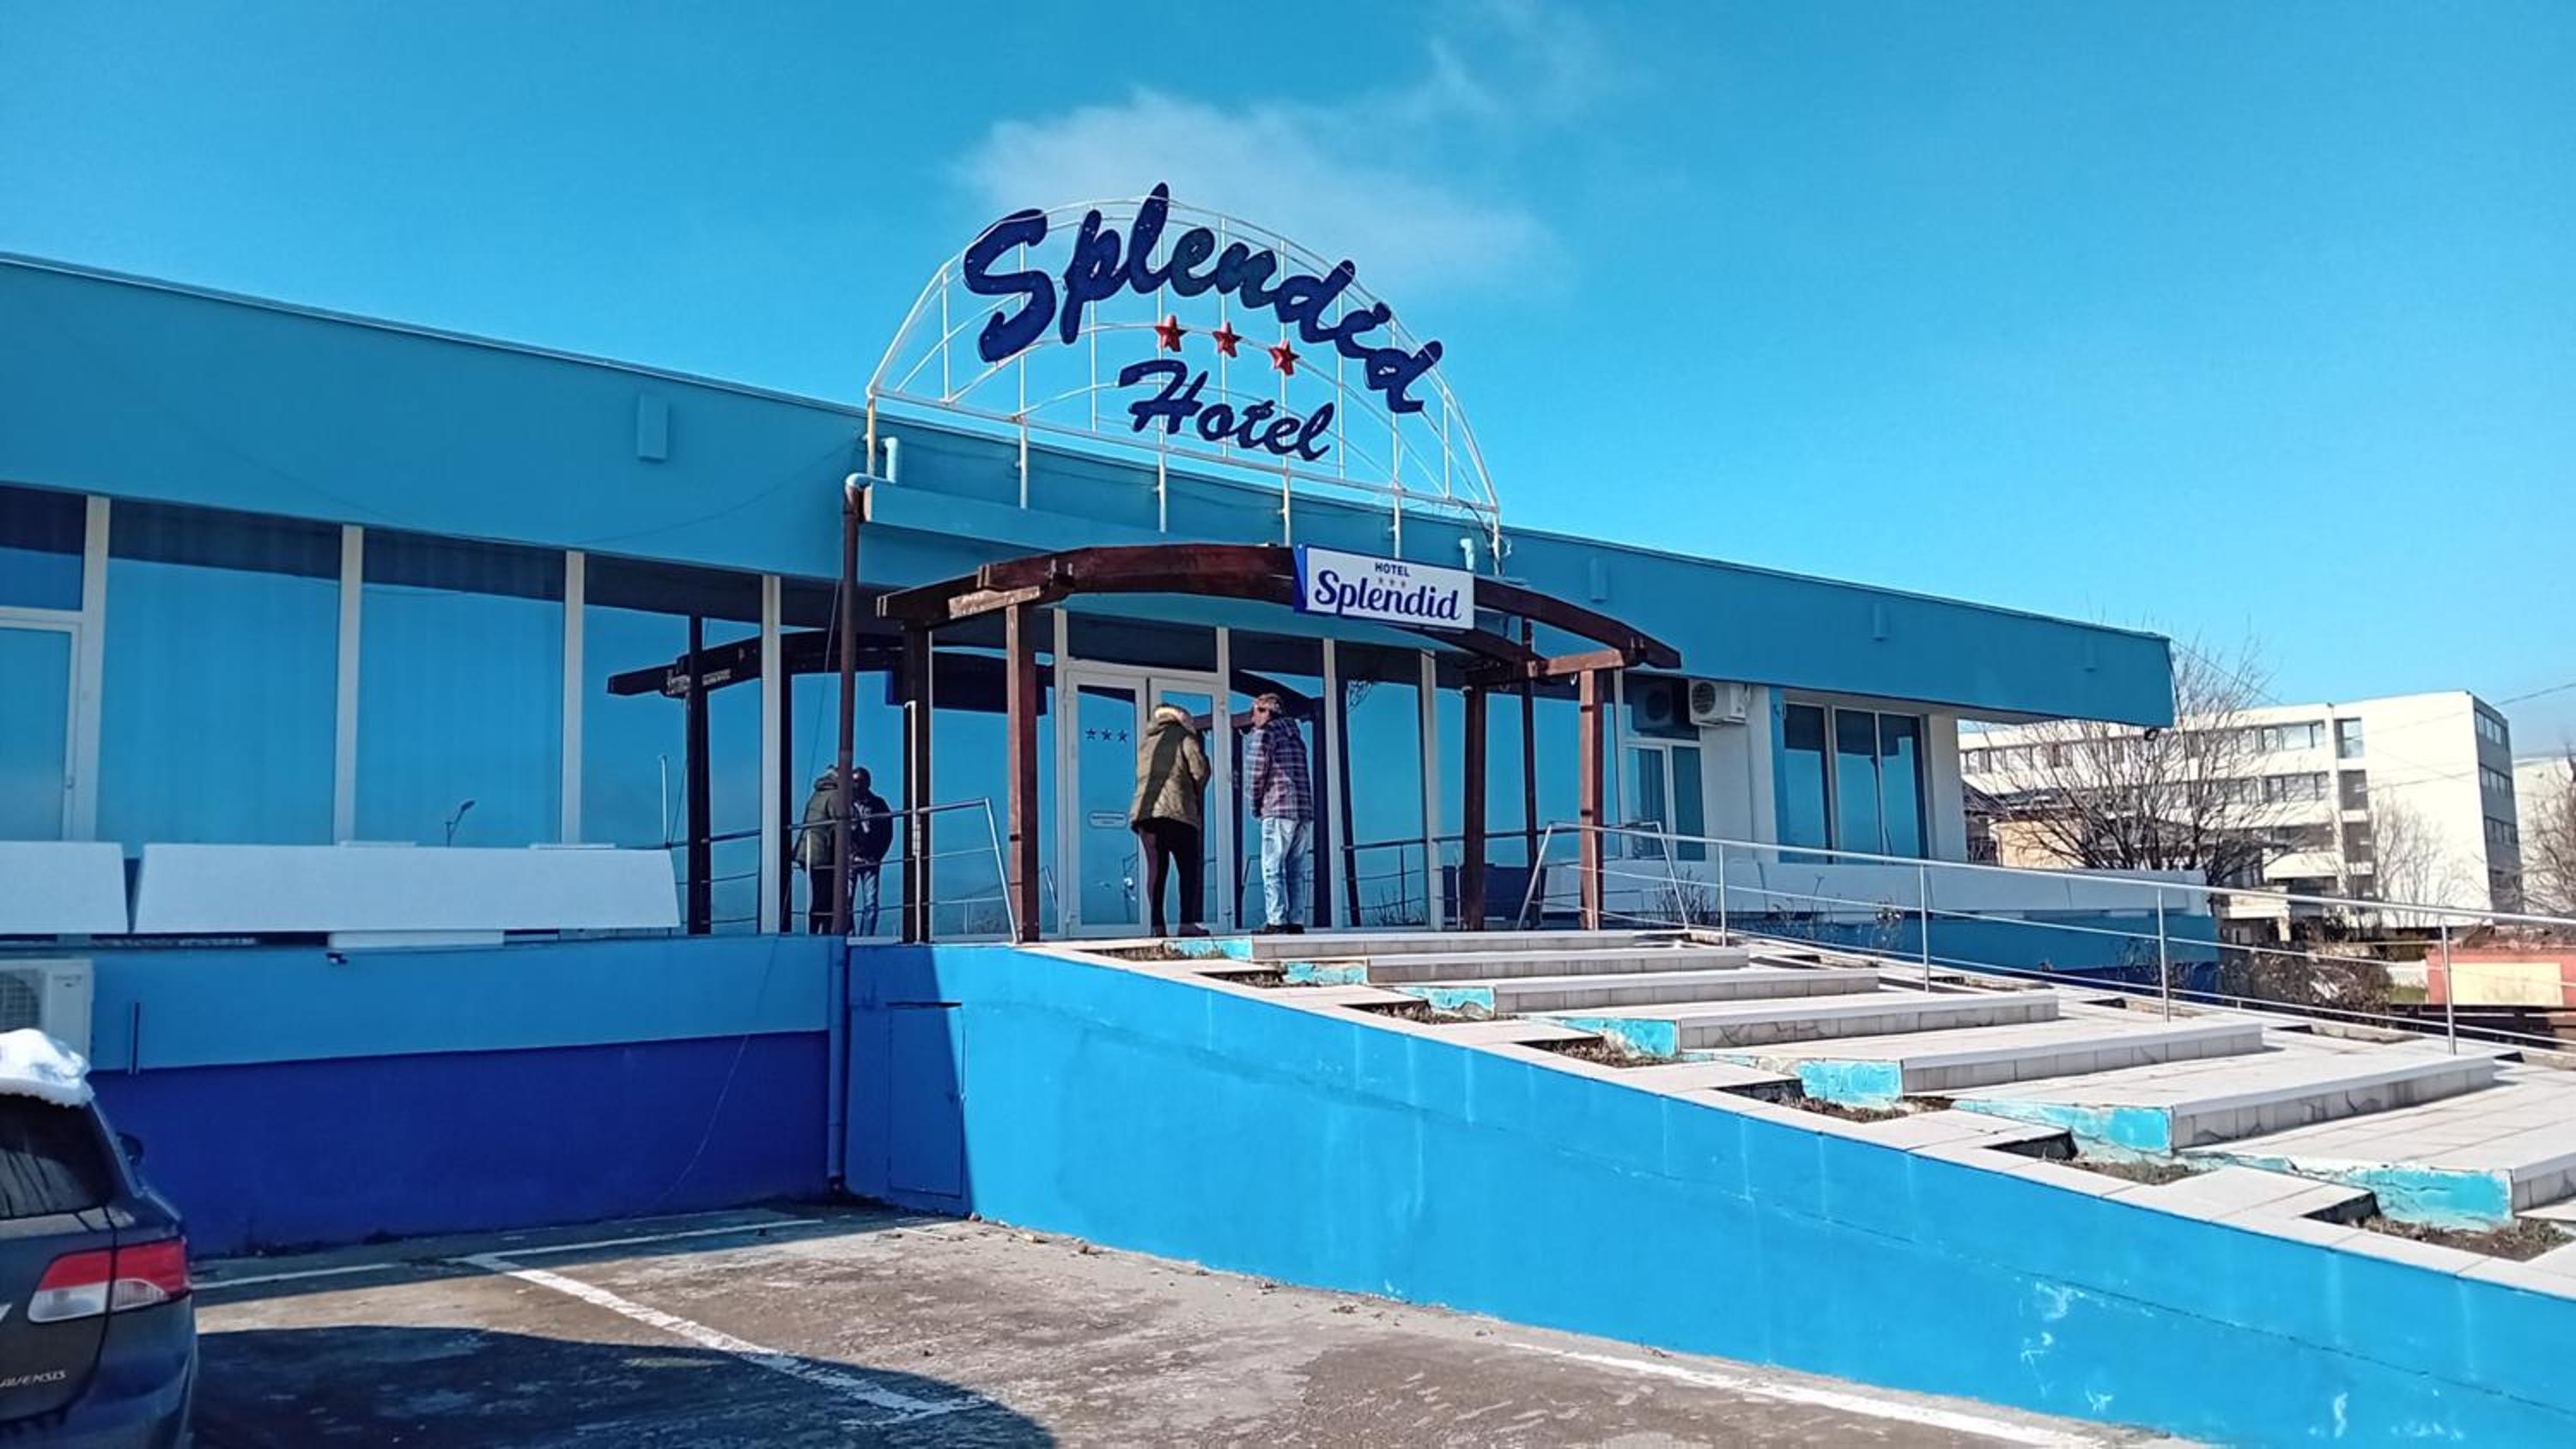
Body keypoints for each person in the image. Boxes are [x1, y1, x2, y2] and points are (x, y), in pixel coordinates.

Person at [1130, 702, 1211, 937]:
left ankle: (1157, 926)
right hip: (1178, 811)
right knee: (1188, 868)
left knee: (1156, 869)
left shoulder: (1146, 743)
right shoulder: (1184, 737)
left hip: (1146, 813)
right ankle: (1187, 923)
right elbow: (1199, 771)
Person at [1243, 691, 1313, 933]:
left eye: (1254, 712)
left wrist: (1255, 805)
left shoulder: (1266, 734)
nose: (1252, 719)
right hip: (1303, 811)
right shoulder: (1296, 736)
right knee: (1296, 869)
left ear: (1266, 712)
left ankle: (1276, 920)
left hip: (1278, 807)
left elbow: (1256, 773)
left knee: (1272, 867)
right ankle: (1297, 920)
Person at [795, 767, 848, 934]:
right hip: (821, 852)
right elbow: (840, 819)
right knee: (826, 894)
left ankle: (815, 930)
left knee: (819, 892)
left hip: (807, 850)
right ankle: (823, 931)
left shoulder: (817, 795)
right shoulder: (834, 795)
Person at [848, 767, 894, 937]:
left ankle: (866, 936)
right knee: (846, 901)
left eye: (860, 782)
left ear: (868, 783)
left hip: (870, 859)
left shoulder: (879, 804)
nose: (857, 786)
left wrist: (877, 856)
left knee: (870, 902)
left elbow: (887, 833)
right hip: (850, 860)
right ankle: (849, 935)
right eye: (854, 781)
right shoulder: (844, 804)